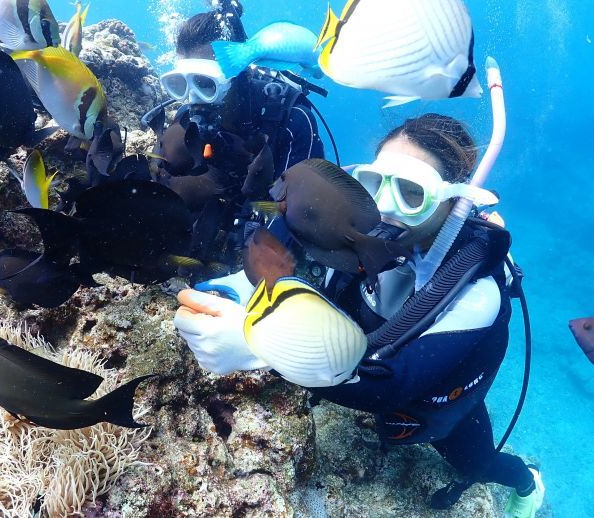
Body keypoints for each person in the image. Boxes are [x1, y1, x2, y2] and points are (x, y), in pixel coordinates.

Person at [173, 113, 545, 517]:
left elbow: (391, 388)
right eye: (372, 184)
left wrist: (256, 342)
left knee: (475, 463)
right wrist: (229, 292)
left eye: (411, 192)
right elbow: (265, 267)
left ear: (455, 203)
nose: (382, 209)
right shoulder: (340, 227)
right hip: (351, 361)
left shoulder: (478, 293)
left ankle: (527, 482)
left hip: (430, 397)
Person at [144, 0, 326, 264]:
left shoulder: (291, 118)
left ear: (237, 74)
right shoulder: (186, 115)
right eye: (181, 85)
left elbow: (307, 209)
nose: (193, 100)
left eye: (206, 83)